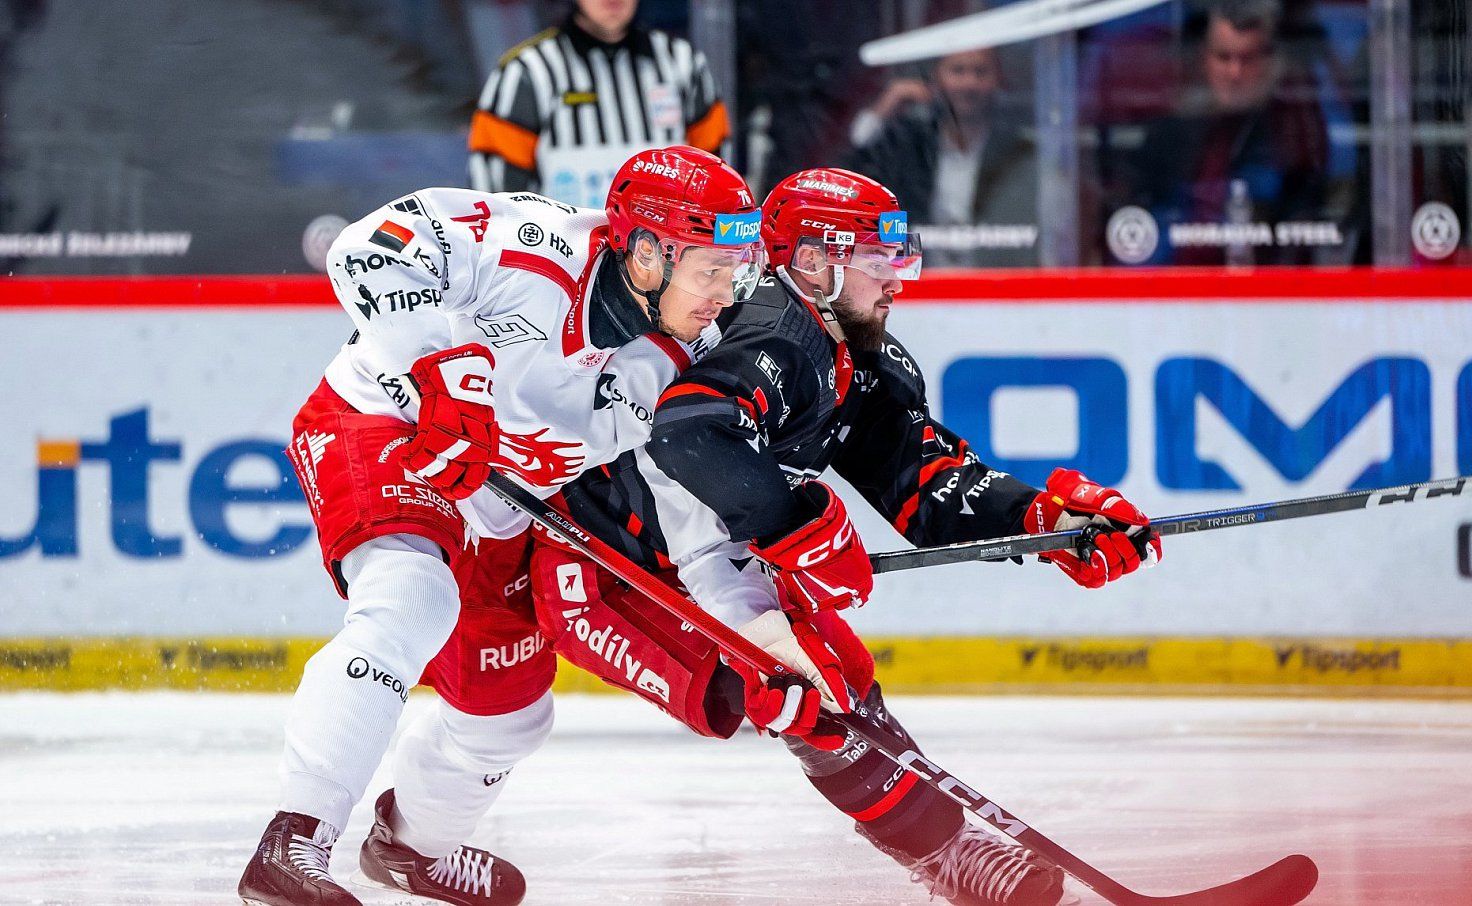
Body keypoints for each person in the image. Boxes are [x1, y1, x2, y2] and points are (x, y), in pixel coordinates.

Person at [378, 168, 1161, 906]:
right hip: (603, 567)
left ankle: (943, 847)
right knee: (788, 693)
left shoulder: (856, 352)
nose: (898, 279)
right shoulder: (768, 337)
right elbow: (691, 436)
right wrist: (798, 533)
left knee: (832, 677)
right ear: (814, 262)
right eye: (879, 260)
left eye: (899, 258)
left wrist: (1051, 523)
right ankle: (945, 850)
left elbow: (920, 478)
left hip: (703, 561)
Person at [236, 146, 764, 906]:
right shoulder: (533, 247)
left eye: (736, 269)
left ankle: (410, 849)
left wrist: (748, 603)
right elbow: (365, 248)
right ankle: (293, 842)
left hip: (503, 502)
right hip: (387, 423)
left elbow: (689, 498)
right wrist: (440, 368)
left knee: (508, 717)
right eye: (711, 268)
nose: (725, 292)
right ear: (648, 252)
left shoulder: (700, 351)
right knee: (412, 596)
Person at [1115, 0, 1333, 266]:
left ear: (1272, 62)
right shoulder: (1171, 133)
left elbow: (1305, 226)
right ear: (1205, 59)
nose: (1234, 72)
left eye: (1248, 58)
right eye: (1223, 57)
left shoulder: (1292, 134)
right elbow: (1136, 221)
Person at [468, 0, 730, 208]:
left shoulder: (683, 64)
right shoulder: (527, 71)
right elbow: (494, 198)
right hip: (560, 254)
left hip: (666, 254)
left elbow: (717, 180)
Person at [844, 48, 1038, 267]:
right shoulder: (915, 144)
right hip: (920, 274)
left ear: (998, 80)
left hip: (994, 275)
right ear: (935, 80)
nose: (969, 83)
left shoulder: (1015, 148)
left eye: (980, 72)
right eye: (958, 71)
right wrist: (890, 102)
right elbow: (855, 162)